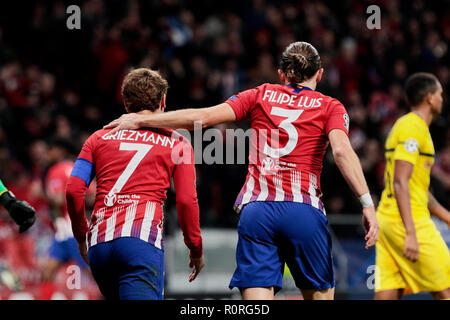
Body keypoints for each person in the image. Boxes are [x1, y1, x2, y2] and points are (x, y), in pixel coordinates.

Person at [103, 41, 379, 300]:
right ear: (319, 74)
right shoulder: (331, 106)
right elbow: (342, 151)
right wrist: (366, 202)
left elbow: (203, 118)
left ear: (282, 74)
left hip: (258, 212)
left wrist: (141, 121)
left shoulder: (260, 94)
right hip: (303, 210)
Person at [66, 68, 204, 300]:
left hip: (100, 245)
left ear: (126, 104)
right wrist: (195, 248)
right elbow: (185, 200)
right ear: (163, 100)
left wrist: (81, 236)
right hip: (140, 243)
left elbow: (72, 191)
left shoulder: (98, 138)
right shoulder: (178, 143)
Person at [374, 72, 450, 300]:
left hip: (389, 219)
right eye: (440, 94)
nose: (442, 98)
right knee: (446, 287)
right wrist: (410, 233)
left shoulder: (410, 126)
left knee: (387, 294)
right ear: (429, 97)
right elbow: (400, 182)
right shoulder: (413, 127)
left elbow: (416, 187)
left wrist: (446, 216)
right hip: (407, 221)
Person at [40, 138, 91, 300]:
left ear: (58, 151)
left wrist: (40, 194)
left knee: (92, 271)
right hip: (64, 231)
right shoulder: (77, 167)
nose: (47, 155)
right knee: (47, 272)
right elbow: (91, 195)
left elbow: (58, 200)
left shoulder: (55, 170)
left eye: (49, 151)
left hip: (70, 231)